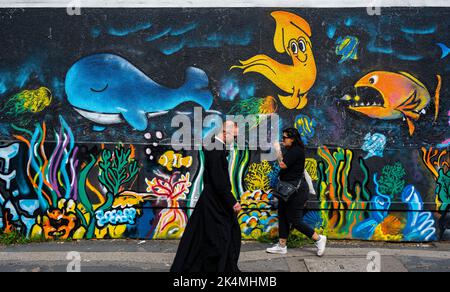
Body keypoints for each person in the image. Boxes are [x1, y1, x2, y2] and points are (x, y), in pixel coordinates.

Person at [170, 121, 242, 272]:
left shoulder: (215, 146)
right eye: (234, 137)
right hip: (215, 200)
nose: (234, 140)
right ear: (225, 133)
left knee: (203, 235)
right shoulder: (216, 149)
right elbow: (219, 179)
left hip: (212, 198)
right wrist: (232, 201)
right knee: (220, 236)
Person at [266, 128, 327, 256]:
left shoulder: (296, 151)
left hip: (296, 191)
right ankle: (282, 246)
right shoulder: (291, 150)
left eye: (285, 138)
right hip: (287, 189)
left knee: (295, 219)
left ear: (292, 139)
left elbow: (282, 165)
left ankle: (319, 239)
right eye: (282, 138)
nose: (283, 140)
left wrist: (277, 150)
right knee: (282, 214)